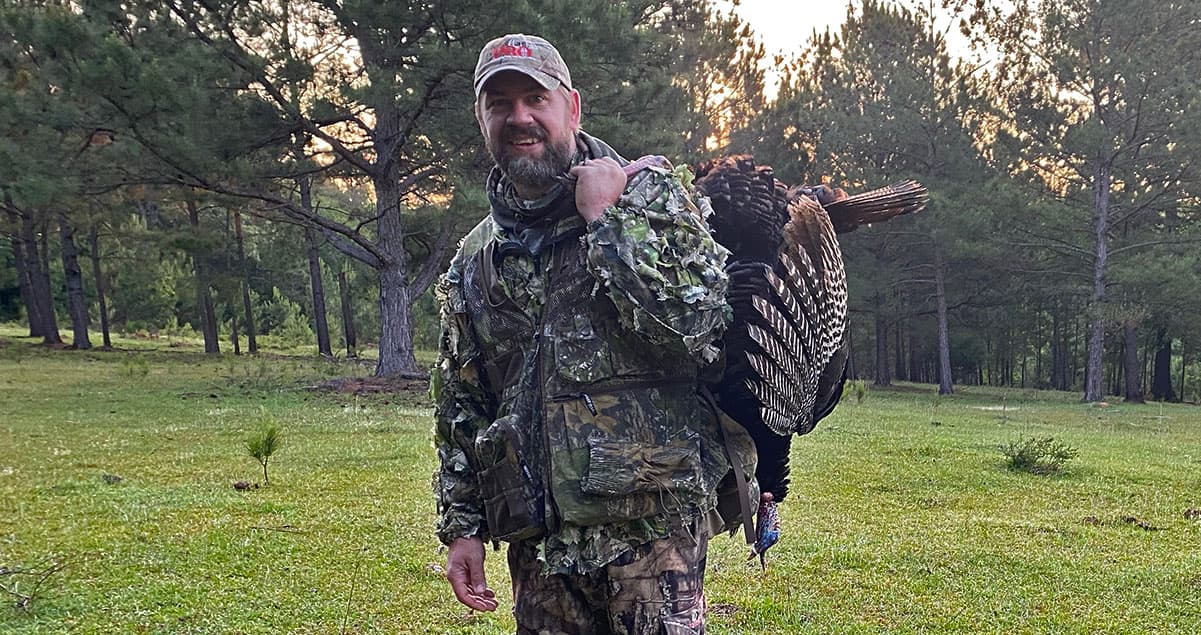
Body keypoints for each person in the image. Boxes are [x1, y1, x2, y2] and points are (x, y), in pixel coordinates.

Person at [432, 33, 758, 634]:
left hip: (651, 537)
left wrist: (608, 220)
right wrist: (463, 526)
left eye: (536, 98)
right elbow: (464, 402)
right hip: (541, 548)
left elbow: (699, 328)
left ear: (572, 108)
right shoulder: (477, 258)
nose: (519, 117)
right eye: (499, 103)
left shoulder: (650, 198)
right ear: (481, 118)